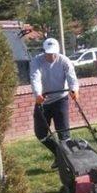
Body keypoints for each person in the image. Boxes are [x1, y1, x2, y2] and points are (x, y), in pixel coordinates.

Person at [30, 38, 79, 168]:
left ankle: (70, 163)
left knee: (64, 133)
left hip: (60, 100)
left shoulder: (64, 61)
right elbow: (35, 78)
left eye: (53, 53)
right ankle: (59, 154)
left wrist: (74, 90)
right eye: (48, 53)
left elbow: (72, 78)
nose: (51, 56)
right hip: (43, 100)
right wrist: (38, 94)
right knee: (41, 134)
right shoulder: (36, 61)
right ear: (44, 51)